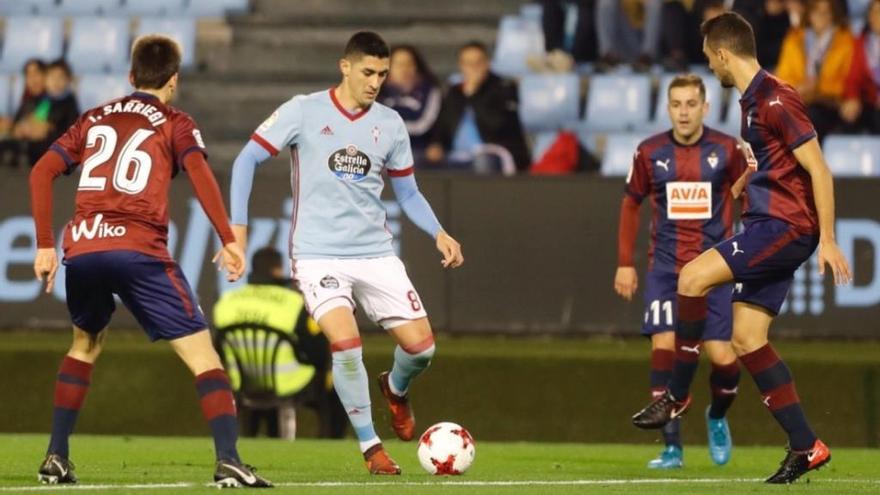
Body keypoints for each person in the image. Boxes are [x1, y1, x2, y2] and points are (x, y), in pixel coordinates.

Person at [28, 35, 271, 488]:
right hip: (138, 247)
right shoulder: (174, 120)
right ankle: (229, 461)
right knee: (203, 356)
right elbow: (199, 171)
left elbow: (42, 170)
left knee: (84, 344)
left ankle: (56, 457)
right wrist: (228, 236)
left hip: (82, 247)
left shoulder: (94, 116)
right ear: (174, 81)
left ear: (130, 76)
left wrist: (46, 243)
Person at [229, 31, 464, 475]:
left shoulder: (391, 124)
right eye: (368, 72)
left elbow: (408, 193)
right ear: (345, 67)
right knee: (345, 340)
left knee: (422, 350)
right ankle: (371, 446)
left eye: (382, 74)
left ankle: (394, 389)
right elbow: (245, 160)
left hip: (375, 253)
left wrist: (439, 232)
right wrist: (236, 232)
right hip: (318, 255)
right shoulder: (303, 110)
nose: (376, 82)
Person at [631, 12, 852, 484]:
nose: (711, 66)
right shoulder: (753, 101)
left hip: (783, 228)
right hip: (771, 222)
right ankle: (806, 445)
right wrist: (748, 181)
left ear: (725, 53)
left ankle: (677, 395)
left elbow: (820, 169)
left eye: (711, 58)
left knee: (690, 277)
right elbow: (779, 161)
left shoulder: (775, 98)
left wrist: (829, 241)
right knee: (747, 338)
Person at [616, 74, 747, 470]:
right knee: (664, 350)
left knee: (724, 358)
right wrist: (625, 262)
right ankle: (672, 447)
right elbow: (630, 204)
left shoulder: (727, 149)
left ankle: (718, 416)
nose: (684, 112)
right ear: (668, 108)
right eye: (677, 104)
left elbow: (750, 191)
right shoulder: (649, 151)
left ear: (705, 107)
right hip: (666, 268)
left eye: (691, 104)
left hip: (715, 270)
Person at [213, 246, 348, 440]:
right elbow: (317, 353)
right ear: (277, 270)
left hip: (242, 382)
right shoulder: (294, 302)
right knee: (335, 390)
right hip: (288, 383)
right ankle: (330, 444)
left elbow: (219, 350)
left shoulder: (226, 301)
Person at [426, 41, 530, 173]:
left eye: (478, 62)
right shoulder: (455, 91)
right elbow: (443, 124)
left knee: (483, 162)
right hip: (457, 154)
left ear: (487, 63)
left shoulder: (504, 87)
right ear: (461, 66)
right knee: (420, 162)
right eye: (468, 63)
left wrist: (473, 94)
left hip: (496, 152)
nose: (474, 67)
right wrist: (437, 144)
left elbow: (497, 125)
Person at [775, 0, 854, 139]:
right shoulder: (793, 38)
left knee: (809, 118)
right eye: (816, 11)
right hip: (797, 100)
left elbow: (847, 80)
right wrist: (799, 88)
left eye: (826, 12)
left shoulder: (845, 41)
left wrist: (817, 88)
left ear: (834, 15)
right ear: (809, 13)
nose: (821, 16)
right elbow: (783, 75)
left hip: (828, 105)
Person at [378, 45, 441, 163]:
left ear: (417, 68)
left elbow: (423, 124)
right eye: (398, 65)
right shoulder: (377, 93)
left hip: (421, 155)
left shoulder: (430, 91)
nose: (404, 69)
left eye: (409, 64)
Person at [840, 0, 880, 133]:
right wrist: (852, 98)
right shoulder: (860, 42)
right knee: (848, 118)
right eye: (873, 12)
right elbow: (853, 77)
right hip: (869, 101)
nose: (876, 16)